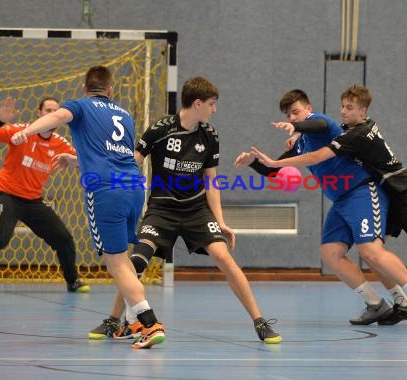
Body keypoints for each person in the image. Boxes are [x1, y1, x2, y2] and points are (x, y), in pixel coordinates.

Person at [268, 84, 407, 329]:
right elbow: (324, 131)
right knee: (372, 253)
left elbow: (320, 131)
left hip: (405, 193)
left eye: (349, 107)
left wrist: (297, 129)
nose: (343, 111)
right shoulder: (351, 129)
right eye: (342, 106)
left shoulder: (357, 134)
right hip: (388, 192)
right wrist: (297, 136)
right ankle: (400, 302)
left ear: (363, 110)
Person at [87, 76, 283, 344]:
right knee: (137, 261)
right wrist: (87, 166)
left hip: (196, 210)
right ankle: (113, 320)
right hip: (161, 209)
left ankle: (260, 322)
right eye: (212, 104)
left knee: (224, 257)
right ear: (198, 103)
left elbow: (211, 181)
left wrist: (220, 221)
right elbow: (130, 163)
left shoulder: (210, 135)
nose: (215, 109)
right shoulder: (159, 130)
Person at [236, 89, 407, 329]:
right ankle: (376, 304)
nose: (292, 117)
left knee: (371, 251)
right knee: (330, 254)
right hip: (340, 201)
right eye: (288, 115)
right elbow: (273, 171)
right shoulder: (299, 143)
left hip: (362, 192)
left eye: (296, 112)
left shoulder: (325, 126)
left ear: (308, 109)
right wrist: (252, 162)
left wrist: (299, 127)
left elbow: (318, 125)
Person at [10, 66, 164, 349]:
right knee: (123, 261)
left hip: (105, 189)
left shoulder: (79, 106)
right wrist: (75, 160)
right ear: (110, 89)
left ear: (84, 89)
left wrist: (26, 132)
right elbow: (116, 156)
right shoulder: (125, 115)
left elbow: (58, 116)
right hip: (133, 187)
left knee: (115, 263)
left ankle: (150, 322)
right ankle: (133, 322)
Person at [0, 96, 90, 294]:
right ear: (39, 113)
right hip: (7, 195)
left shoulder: (60, 143)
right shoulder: (22, 131)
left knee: (63, 239)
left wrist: (74, 160)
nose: (52, 114)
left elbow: (84, 162)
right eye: (48, 110)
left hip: (33, 201)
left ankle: (73, 281)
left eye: (55, 111)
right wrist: (0, 121)